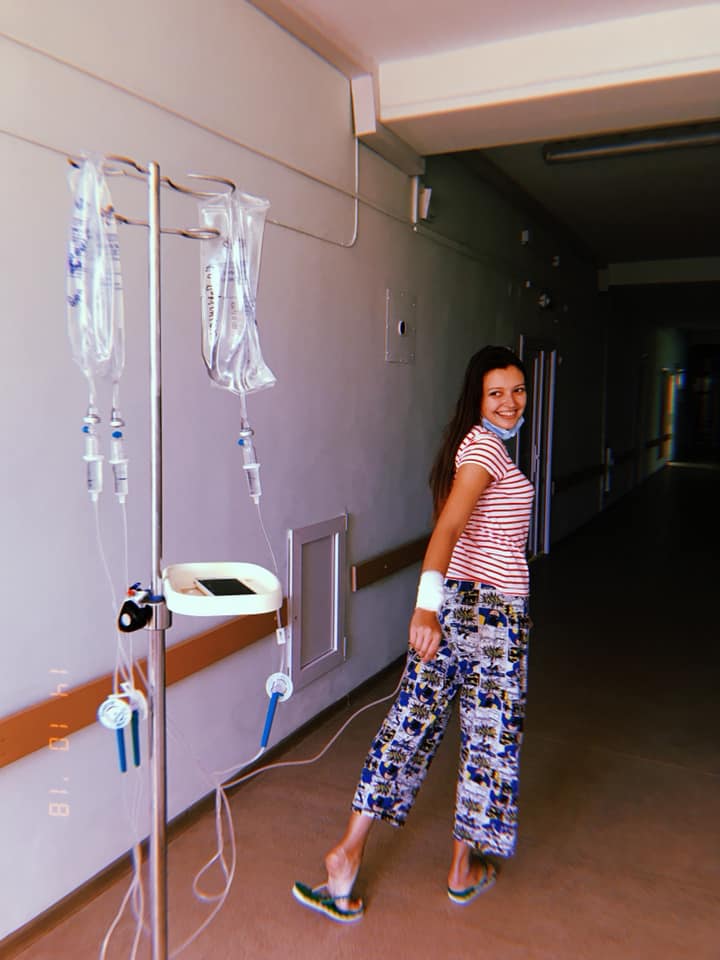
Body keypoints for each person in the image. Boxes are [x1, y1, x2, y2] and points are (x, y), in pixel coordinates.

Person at [292, 345, 534, 923]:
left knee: (408, 727)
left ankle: (347, 854)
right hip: (492, 616)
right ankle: (461, 870)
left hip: (454, 608)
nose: (509, 403)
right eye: (496, 393)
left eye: (518, 390)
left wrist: (435, 610)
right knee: (489, 741)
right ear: (477, 398)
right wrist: (423, 610)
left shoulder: (471, 447)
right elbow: (447, 530)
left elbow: (454, 531)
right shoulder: (486, 451)